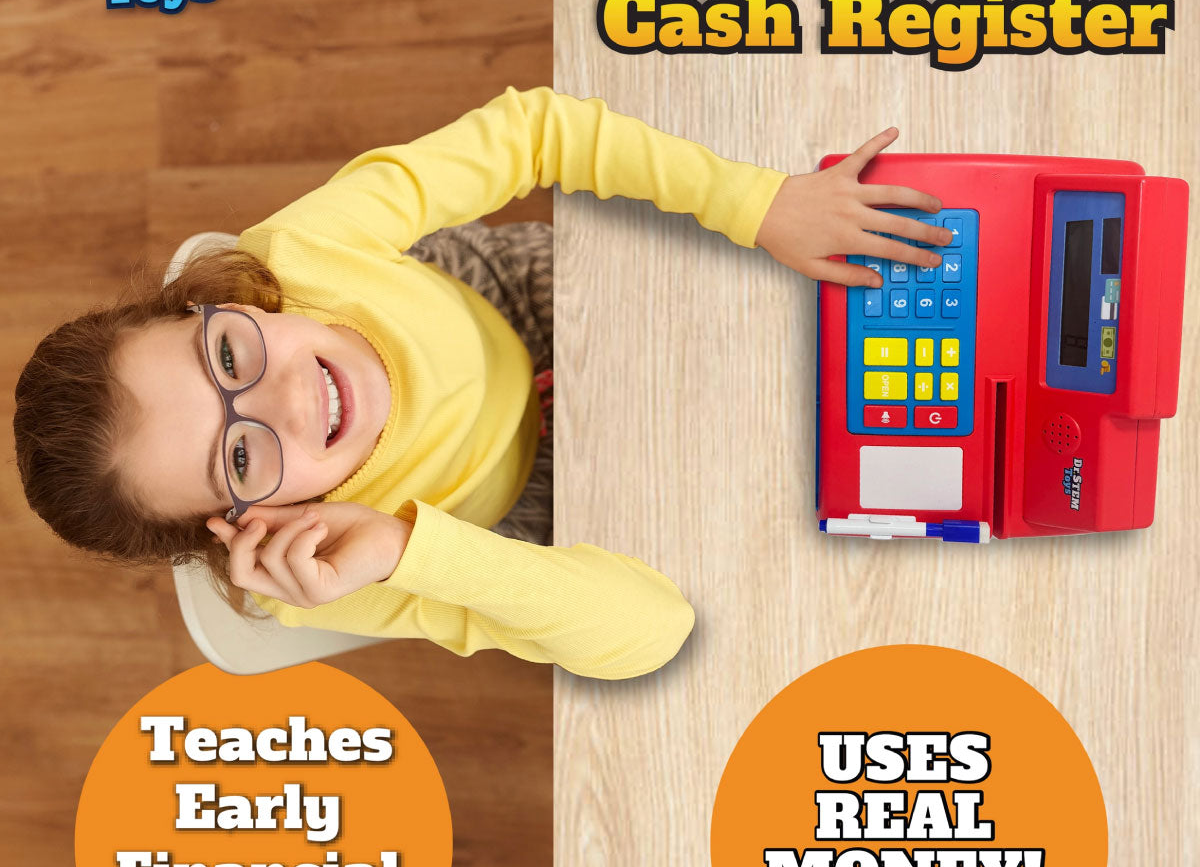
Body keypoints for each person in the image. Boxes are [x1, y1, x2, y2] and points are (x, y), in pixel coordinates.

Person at [14, 87, 948, 679]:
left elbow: (537, 130)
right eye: (245, 453)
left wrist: (757, 202)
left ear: (209, 303)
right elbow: (654, 629)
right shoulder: (329, 570)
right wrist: (408, 550)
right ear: (239, 527)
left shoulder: (294, 255)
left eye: (226, 358)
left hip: (510, 309)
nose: (294, 399)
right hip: (512, 516)